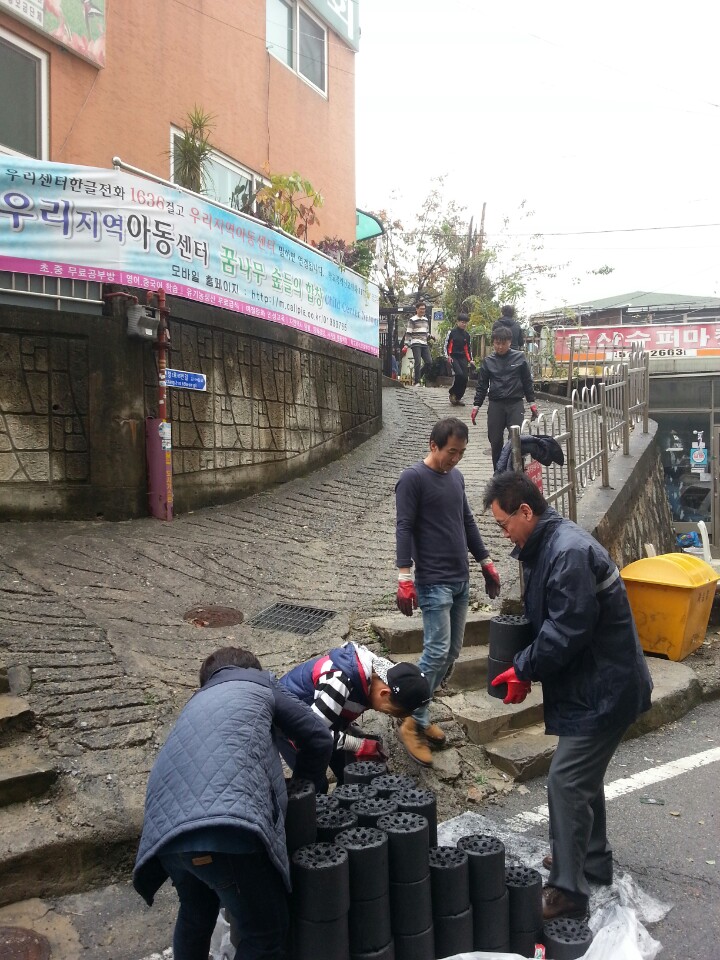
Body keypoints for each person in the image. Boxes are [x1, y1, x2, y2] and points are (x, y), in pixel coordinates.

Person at [482, 472, 653, 922]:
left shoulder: (568, 551)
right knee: (582, 778)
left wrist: (522, 667)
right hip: (591, 684)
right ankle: (589, 861)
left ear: (525, 511)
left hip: (608, 688)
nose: (504, 534)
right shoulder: (546, 547)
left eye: (503, 524)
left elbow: (568, 628)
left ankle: (568, 892)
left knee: (565, 779)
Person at [133, 646, 333, 960]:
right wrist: (306, 791)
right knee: (265, 935)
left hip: (165, 836)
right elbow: (319, 737)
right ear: (252, 669)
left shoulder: (196, 702)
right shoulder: (259, 683)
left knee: (196, 911)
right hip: (223, 832)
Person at [394, 417, 502, 766]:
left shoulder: (455, 478)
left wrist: (485, 562)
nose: (455, 459)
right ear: (433, 445)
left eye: (461, 453)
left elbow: (466, 521)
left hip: (459, 579)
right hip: (433, 582)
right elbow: (404, 527)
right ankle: (412, 722)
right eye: (451, 452)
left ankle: (420, 715)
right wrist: (404, 577)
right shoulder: (412, 479)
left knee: (452, 651)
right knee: (436, 650)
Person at [279, 641, 431, 783]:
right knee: (314, 785)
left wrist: (357, 738)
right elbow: (311, 734)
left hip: (319, 717)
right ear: (384, 693)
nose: (384, 713)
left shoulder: (376, 674)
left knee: (347, 769)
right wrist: (358, 744)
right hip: (290, 724)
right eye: (389, 712)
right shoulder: (340, 683)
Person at [471, 323, 538, 469]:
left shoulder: (519, 358)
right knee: (495, 440)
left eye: (503, 343)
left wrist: (531, 402)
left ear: (509, 342)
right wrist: (476, 405)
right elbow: (482, 385)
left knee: (514, 439)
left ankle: (514, 470)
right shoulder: (488, 361)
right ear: (493, 343)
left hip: (515, 403)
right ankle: (498, 472)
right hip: (496, 404)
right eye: (497, 343)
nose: (500, 347)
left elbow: (527, 381)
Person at [443, 313, 475, 406]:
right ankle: (452, 393)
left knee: (465, 378)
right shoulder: (452, 333)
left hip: (463, 358)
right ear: (457, 322)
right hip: (453, 357)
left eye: (465, 323)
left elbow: (467, 349)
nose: (464, 324)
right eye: (462, 322)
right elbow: (446, 345)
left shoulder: (467, 335)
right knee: (459, 374)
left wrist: (470, 360)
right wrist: (447, 356)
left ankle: (458, 397)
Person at [404, 300, 434, 385]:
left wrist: (431, 336)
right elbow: (408, 332)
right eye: (421, 309)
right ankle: (417, 382)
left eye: (424, 309)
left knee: (429, 362)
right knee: (418, 361)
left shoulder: (425, 320)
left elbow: (425, 332)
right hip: (415, 342)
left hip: (424, 343)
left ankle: (418, 376)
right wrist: (406, 344)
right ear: (417, 309)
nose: (422, 311)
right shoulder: (412, 320)